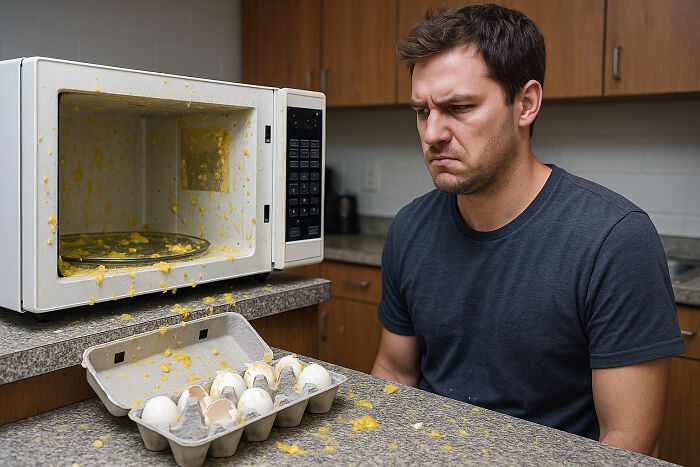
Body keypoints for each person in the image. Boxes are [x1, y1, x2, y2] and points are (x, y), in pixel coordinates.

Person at [370, 4, 685, 456]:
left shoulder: (614, 240)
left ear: (526, 103)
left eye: (458, 107)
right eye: (422, 111)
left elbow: (629, 444)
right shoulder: (410, 228)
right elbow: (396, 373)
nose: (432, 132)